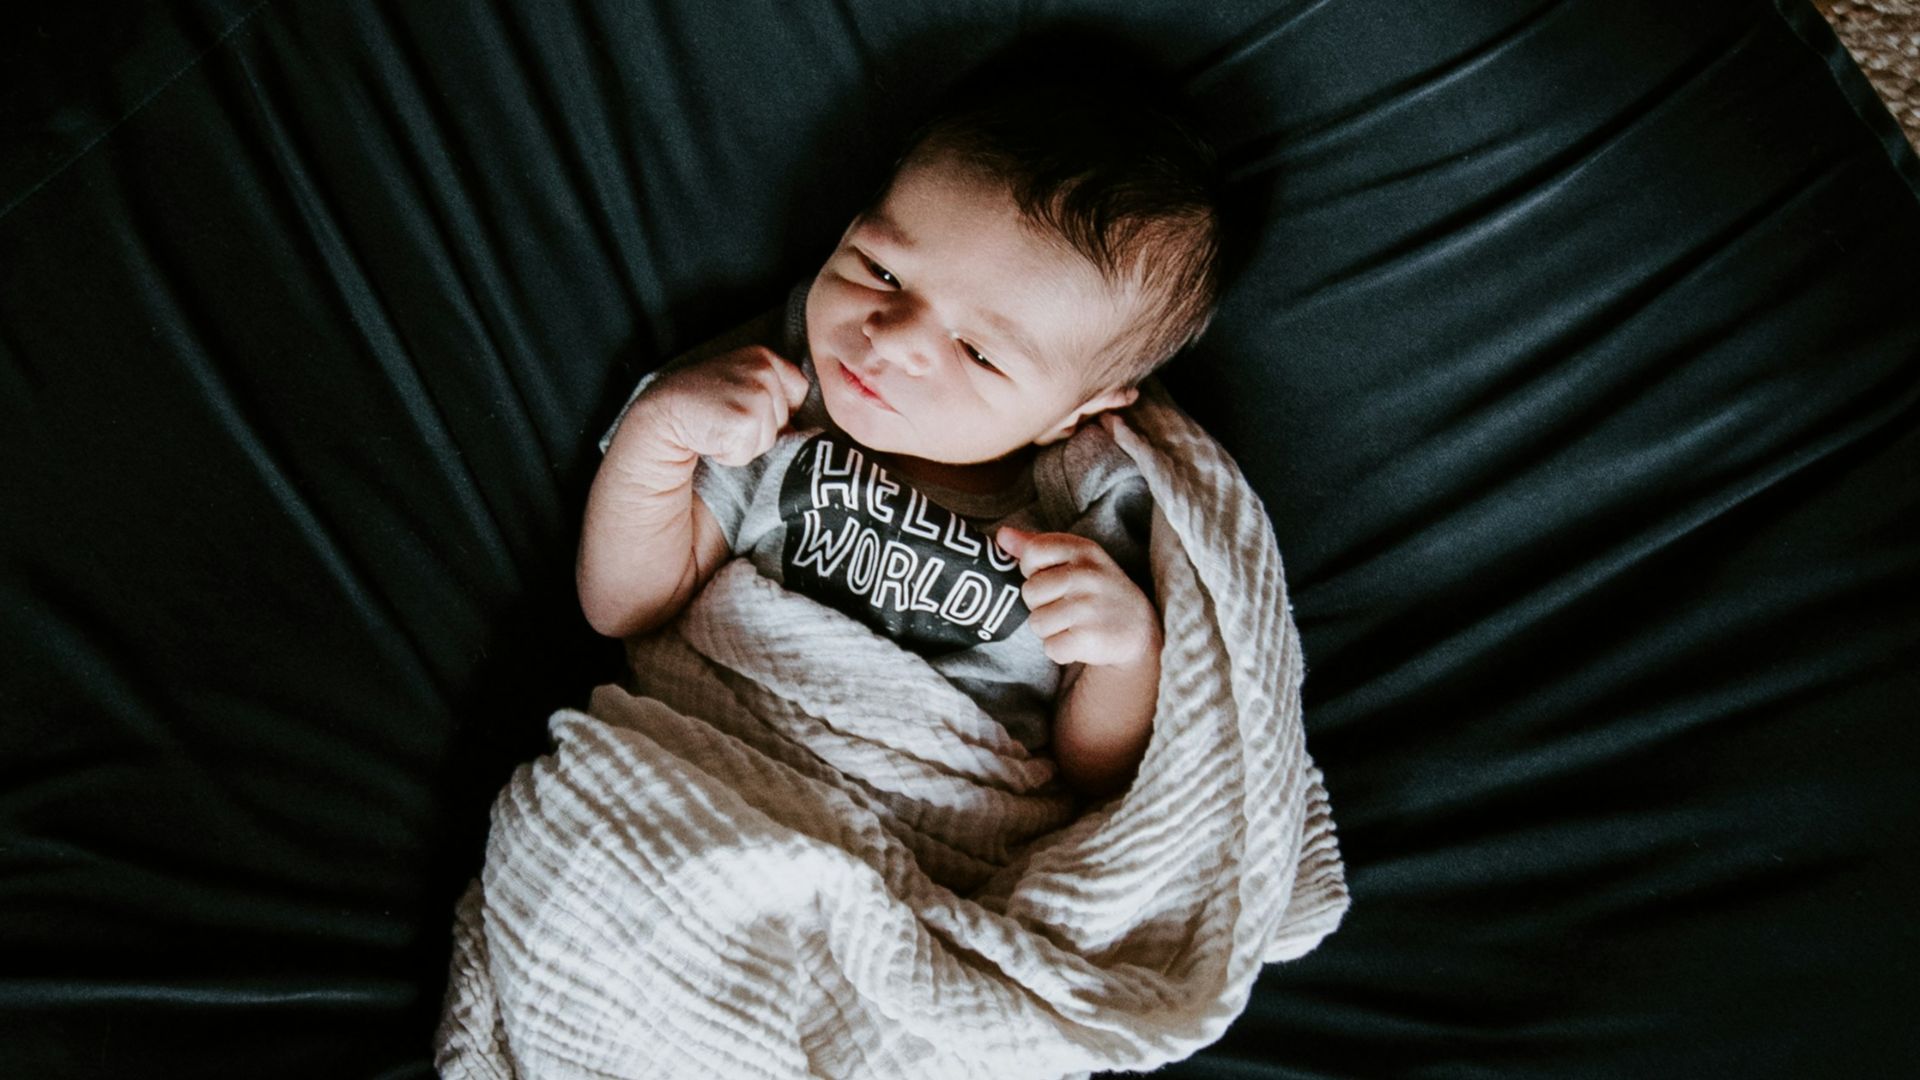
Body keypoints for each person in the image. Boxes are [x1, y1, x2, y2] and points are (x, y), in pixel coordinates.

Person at [576, 46, 1223, 800]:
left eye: (978, 353)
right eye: (881, 271)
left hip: (939, 817)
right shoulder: (772, 401)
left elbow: (1096, 773)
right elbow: (625, 608)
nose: (890, 339)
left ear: (1075, 413)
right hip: (716, 764)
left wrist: (1128, 656)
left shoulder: (1085, 508)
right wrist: (658, 431)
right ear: (850, 228)